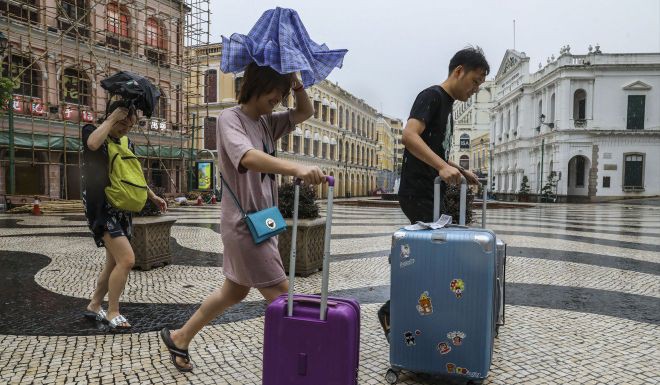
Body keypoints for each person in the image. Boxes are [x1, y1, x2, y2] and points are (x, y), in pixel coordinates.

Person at [160, 62, 323, 372]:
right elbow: (247, 157)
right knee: (283, 297)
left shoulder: (266, 123)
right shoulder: (229, 119)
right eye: (273, 97)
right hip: (244, 226)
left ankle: (180, 337)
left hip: (263, 222)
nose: (277, 102)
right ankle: (306, 364)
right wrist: (295, 168)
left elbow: (305, 113)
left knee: (232, 292)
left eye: (280, 99)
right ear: (256, 85)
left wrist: (295, 82)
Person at [378, 46, 490, 342]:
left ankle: (412, 313)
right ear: (458, 71)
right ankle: (394, 311)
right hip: (418, 192)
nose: (476, 89)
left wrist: (457, 169)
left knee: (435, 256)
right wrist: (442, 166)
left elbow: (434, 151)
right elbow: (409, 135)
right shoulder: (432, 96)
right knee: (434, 257)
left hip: (430, 192)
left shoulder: (448, 105)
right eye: (475, 81)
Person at [82, 102, 168, 330]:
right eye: (123, 124)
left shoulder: (126, 141)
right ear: (112, 116)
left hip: (122, 207)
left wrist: (152, 197)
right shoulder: (92, 131)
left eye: (130, 126)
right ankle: (113, 312)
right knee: (127, 259)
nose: (125, 130)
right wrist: (110, 120)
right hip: (102, 207)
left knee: (113, 262)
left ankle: (94, 305)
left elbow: (133, 173)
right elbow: (92, 145)